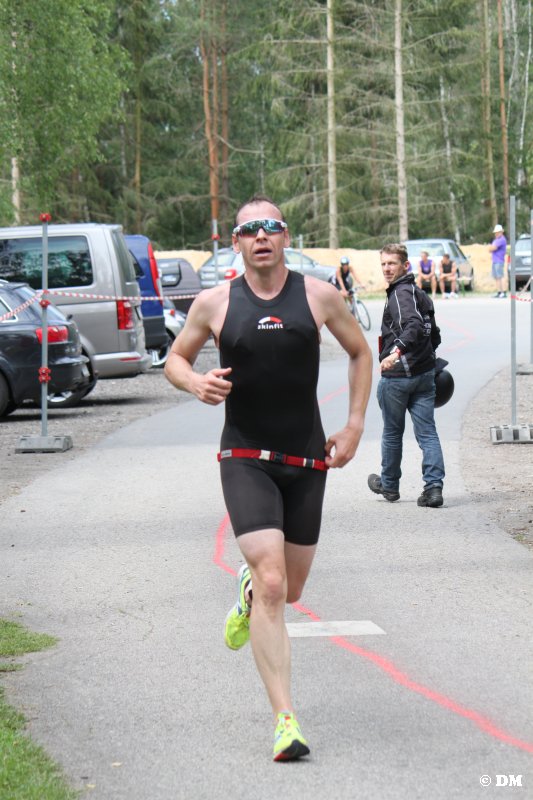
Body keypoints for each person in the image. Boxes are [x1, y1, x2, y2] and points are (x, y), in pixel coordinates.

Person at [164, 195, 372, 761]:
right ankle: (285, 720)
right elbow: (175, 360)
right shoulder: (214, 303)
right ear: (235, 242)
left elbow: (361, 352)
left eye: (270, 227)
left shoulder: (319, 296)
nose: (261, 236)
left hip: (306, 461)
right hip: (245, 457)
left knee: (289, 589)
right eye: (249, 229)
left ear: (285, 237)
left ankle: (248, 594)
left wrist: (354, 424)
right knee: (275, 583)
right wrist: (195, 382)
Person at [368, 242, 445, 508]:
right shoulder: (420, 294)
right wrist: (428, 360)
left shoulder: (400, 294)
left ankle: (389, 485)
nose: (387, 268)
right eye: (384, 264)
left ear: (406, 265)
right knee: (428, 433)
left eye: (392, 263)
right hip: (424, 376)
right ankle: (433, 488)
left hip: (398, 376)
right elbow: (434, 335)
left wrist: (395, 353)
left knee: (392, 433)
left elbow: (413, 325)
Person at [489, 223, 507, 298]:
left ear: (501, 232)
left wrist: (491, 248)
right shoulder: (496, 240)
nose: (496, 234)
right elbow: (490, 249)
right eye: (495, 233)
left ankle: (503, 292)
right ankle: (499, 292)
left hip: (499, 261)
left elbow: (493, 248)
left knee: (500, 276)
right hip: (495, 261)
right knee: (496, 277)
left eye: (497, 232)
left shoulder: (502, 239)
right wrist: (491, 248)